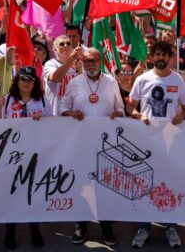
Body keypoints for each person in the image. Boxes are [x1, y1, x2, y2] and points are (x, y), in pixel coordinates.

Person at [128, 40, 185, 249]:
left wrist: (181, 116)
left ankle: (170, 225)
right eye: (157, 54)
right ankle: (144, 227)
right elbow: (130, 107)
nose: (161, 58)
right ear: (152, 57)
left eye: (165, 55)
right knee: (144, 183)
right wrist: (138, 116)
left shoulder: (178, 80)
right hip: (146, 143)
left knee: (168, 183)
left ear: (170, 57)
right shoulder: (142, 79)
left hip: (170, 144)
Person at [61, 48, 124, 246]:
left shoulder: (111, 82)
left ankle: (106, 226)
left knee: (105, 185)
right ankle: (81, 225)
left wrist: (118, 114)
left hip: (106, 145)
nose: (91, 64)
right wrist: (70, 114)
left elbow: (120, 107)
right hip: (81, 143)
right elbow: (63, 107)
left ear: (100, 61)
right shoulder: (74, 82)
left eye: (94, 60)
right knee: (82, 185)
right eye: (87, 61)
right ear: (81, 62)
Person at [1, 67, 46, 249]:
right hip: (13, 153)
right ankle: (9, 230)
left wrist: (41, 119)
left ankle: (34, 228)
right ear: (17, 81)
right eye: (23, 79)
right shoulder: (8, 100)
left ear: (34, 82)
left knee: (33, 191)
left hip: (35, 151)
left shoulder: (41, 99)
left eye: (30, 79)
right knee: (11, 192)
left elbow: (53, 123)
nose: (26, 82)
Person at [44, 37, 80, 116]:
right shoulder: (50, 64)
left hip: (74, 115)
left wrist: (81, 72)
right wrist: (72, 59)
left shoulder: (79, 65)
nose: (65, 46)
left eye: (68, 43)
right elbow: (55, 78)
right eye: (62, 44)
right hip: (55, 116)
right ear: (55, 49)